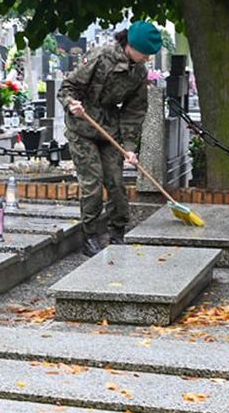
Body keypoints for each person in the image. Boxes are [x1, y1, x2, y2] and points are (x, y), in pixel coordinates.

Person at [58, 20, 162, 257]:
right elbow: (68, 87)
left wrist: (130, 147)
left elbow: (134, 111)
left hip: (109, 129)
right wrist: (71, 104)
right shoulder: (102, 56)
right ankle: (91, 236)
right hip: (83, 126)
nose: (147, 58)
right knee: (92, 182)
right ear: (131, 45)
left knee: (116, 182)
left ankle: (117, 232)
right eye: (145, 53)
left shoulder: (139, 72)